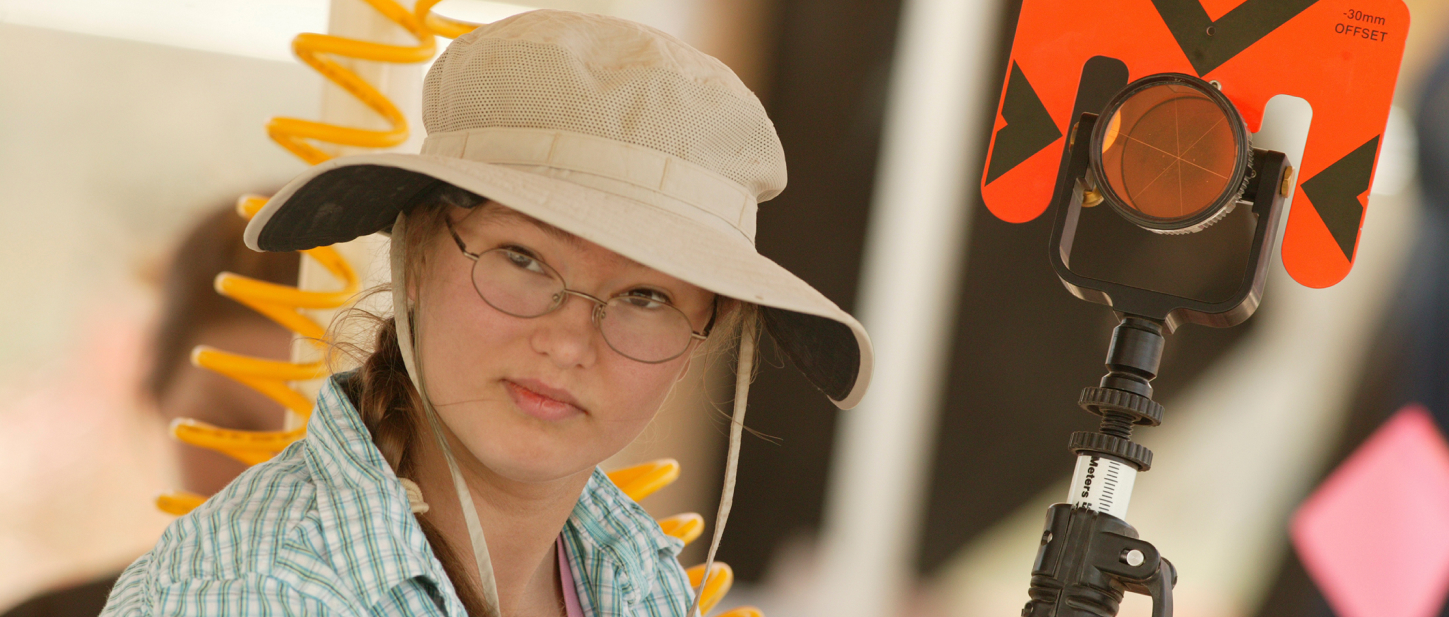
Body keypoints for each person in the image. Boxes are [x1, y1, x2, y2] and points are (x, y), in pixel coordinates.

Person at [101, 10, 873, 617]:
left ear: (702, 333)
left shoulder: (632, 574)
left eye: (646, 297)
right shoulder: (253, 596)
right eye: (524, 259)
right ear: (415, 257)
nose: (570, 341)